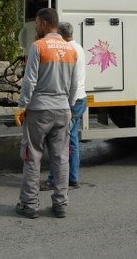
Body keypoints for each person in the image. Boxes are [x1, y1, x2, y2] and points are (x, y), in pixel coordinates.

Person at [15, 8, 79, 219]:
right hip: (63, 109)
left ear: (43, 23)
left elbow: (29, 80)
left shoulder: (38, 46)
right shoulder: (71, 49)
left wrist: (22, 105)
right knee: (61, 158)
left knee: (32, 156)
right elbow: (74, 84)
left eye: (36, 23)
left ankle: (29, 205)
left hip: (39, 110)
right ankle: (61, 204)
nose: (35, 27)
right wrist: (69, 105)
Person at [43, 21, 86, 191]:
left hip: (71, 100)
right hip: (81, 98)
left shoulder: (67, 50)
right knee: (72, 139)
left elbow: (67, 79)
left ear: (60, 35)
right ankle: (73, 178)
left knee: (59, 141)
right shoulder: (79, 48)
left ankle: (55, 179)